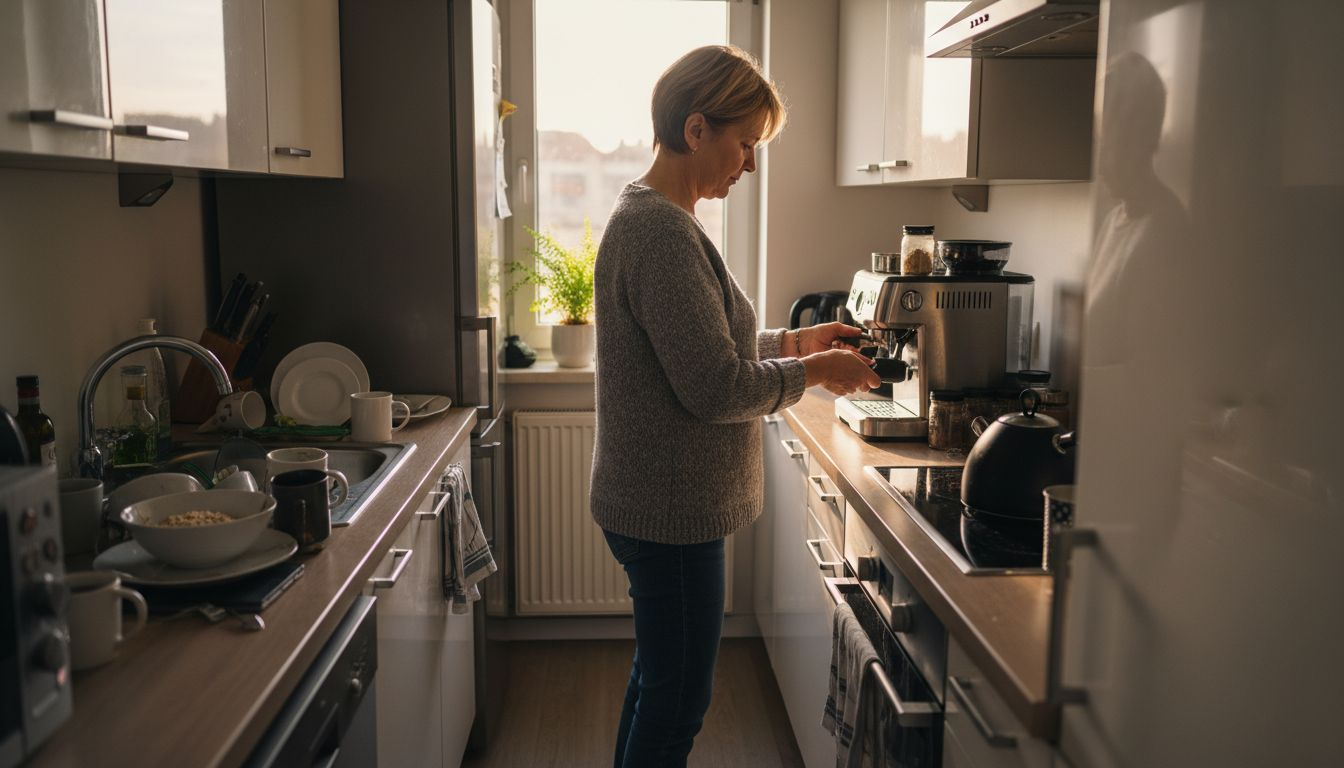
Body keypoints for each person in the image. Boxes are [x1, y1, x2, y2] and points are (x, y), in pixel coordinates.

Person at [590, 44, 880, 767]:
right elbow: (716, 387)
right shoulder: (658, 231)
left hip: (659, 503)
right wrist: (812, 369)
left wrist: (796, 337)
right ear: (697, 131)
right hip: (671, 513)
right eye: (744, 143)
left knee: (657, 682)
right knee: (677, 701)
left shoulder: (658, 218)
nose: (749, 164)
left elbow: (709, 344)